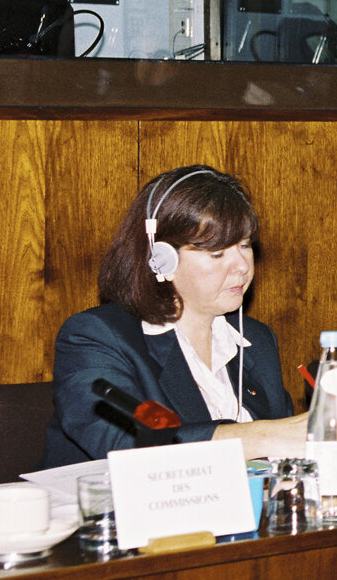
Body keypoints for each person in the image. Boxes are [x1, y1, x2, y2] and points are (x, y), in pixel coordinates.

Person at [41, 166, 306, 467]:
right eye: (217, 253)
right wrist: (265, 436)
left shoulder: (256, 340)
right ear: (162, 259)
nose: (242, 266)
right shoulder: (95, 336)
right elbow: (127, 448)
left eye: (245, 245)